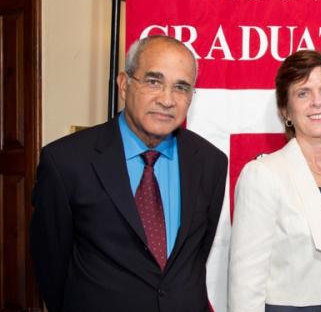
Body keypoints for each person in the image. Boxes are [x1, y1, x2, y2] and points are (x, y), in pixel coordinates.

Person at [30, 35, 229, 312]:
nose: (167, 99)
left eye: (181, 87)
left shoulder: (210, 163)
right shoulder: (66, 162)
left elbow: (195, 256)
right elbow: (51, 267)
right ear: (124, 84)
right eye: (153, 81)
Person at [228, 50, 321, 312]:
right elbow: (244, 288)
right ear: (285, 110)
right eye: (303, 93)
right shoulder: (262, 174)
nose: (317, 102)